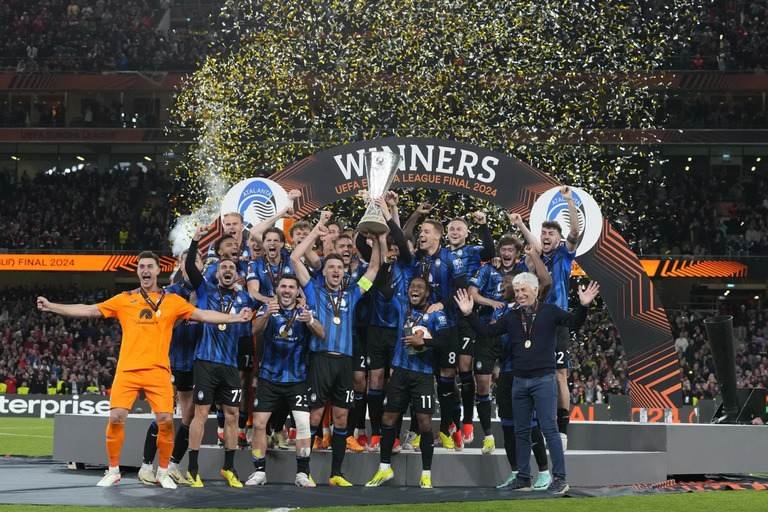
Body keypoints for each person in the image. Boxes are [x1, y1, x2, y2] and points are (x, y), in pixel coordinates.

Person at [36, 251, 251, 488]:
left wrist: (234, 319)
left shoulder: (172, 301)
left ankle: (162, 472)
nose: (145, 270)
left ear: (159, 270)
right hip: (127, 370)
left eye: (150, 266)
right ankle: (113, 470)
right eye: (141, 267)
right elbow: (89, 309)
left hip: (158, 370)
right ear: (138, 272)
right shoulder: (124, 299)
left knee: (166, 421)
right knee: (116, 417)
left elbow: (203, 315)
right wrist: (53, 307)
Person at [454, 273, 600, 496]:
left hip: (544, 380)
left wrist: (583, 306)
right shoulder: (512, 317)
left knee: (549, 430)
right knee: (521, 431)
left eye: (523, 290)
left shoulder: (549, 311)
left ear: (535, 290)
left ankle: (560, 479)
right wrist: (469, 314)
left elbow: (574, 322)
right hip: (519, 381)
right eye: (517, 290)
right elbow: (487, 332)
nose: (519, 294)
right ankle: (523, 477)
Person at [290, 211, 381, 486]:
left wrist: (378, 239)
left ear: (344, 271)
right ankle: (302, 472)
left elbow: (374, 268)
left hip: (345, 362)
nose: (335, 271)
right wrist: (316, 231)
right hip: (320, 359)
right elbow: (295, 258)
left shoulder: (353, 292)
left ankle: (336, 473)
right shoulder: (314, 289)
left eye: (339, 268)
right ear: (324, 271)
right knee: (314, 416)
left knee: (341, 417)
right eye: (331, 268)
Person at [184, 228, 258, 488]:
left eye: (231, 267)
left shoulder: (245, 298)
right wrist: (195, 241)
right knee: (201, 415)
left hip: (230, 365)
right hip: (205, 361)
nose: (227, 269)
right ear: (216, 273)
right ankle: (192, 469)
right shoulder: (205, 292)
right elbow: (190, 268)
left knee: (232, 415)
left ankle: (229, 467)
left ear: (237, 274)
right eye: (223, 266)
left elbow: (257, 318)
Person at [511, 185, 580, 449]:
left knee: (560, 374)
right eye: (544, 233)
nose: (546, 236)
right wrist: (520, 225)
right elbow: (533, 245)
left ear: (559, 239)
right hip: (535, 322)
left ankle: (562, 430)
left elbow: (574, 231)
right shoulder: (534, 258)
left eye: (551, 233)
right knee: (536, 374)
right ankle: (538, 424)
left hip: (557, 319)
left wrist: (569, 201)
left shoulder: (564, 254)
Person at [365, 276, 447, 489]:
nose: (415, 289)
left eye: (420, 287)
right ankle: (384, 468)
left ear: (427, 293)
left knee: (425, 423)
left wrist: (424, 341)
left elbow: (448, 342)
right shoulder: (402, 306)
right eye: (412, 286)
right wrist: (384, 255)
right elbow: (380, 285)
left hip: (423, 376)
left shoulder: (436, 314)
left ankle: (426, 474)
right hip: (400, 372)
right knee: (388, 418)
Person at [246, 275, 324, 487]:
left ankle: (302, 473)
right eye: (283, 286)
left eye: (291, 287)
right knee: (260, 424)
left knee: (302, 425)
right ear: (277, 289)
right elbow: (253, 330)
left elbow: (322, 333)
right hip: (269, 378)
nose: (287, 290)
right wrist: (266, 316)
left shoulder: (304, 313)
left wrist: (310, 320)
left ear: (297, 291)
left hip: (297, 378)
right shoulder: (267, 309)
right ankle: (259, 471)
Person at [139, 249, 203, 485]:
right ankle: (146, 466)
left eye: (197, 260)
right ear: (181, 265)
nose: (193, 265)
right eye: (189, 261)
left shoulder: (206, 292)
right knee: (163, 415)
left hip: (195, 361)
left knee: (189, 416)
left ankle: (173, 465)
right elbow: (159, 326)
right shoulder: (170, 294)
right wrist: (182, 314)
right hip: (171, 360)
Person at [408, 217, 468, 450]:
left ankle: (446, 428)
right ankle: (416, 431)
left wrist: (443, 303)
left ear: (437, 235)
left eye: (425, 231)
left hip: (447, 326)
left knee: (446, 378)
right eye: (420, 231)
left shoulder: (452, 259)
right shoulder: (417, 260)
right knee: (420, 378)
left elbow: (463, 289)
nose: (421, 235)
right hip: (421, 325)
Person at [489, 274, 552, 490]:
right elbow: (494, 339)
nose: (508, 287)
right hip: (506, 373)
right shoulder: (500, 312)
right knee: (507, 426)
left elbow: (546, 282)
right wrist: (495, 364)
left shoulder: (531, 310)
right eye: (509, 286)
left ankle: (544, 472)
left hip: (526, 373)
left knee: (530, 425)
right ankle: (517, 474)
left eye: (513, 285)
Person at [446, 212, 494, 444]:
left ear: (466, 233)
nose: (455, 232)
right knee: (447, 371)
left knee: (465, 367)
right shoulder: (442, 254)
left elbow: (489, 252)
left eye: (459, 229)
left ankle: (467, 421)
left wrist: (484, 226)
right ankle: (452, 422)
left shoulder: (474, 251)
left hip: (467, 315)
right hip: (446, 317)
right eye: (452, 228)